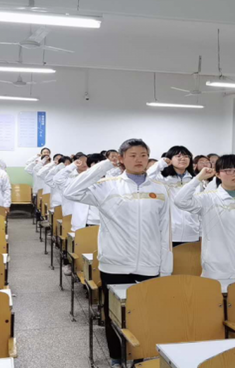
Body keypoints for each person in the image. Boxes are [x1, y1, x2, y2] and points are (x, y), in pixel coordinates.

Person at [64, 138, 171, 367]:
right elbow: (71, 191)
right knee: (114, 314)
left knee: (144, 314)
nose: (139, 159)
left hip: (150, 263)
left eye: (143, 155)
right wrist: (104, 165)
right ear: (121, 159)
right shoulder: (107, 186)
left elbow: (165, 231)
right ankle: (116, 357)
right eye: (132, 155)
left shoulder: (159, 189)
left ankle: (139, 358)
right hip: (115, 263)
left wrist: (165, 267)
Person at [174, 155, 235, 280]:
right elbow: (180, 201)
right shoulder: (208, 198)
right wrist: (198, 178)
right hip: (217, 270)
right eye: (228, 170)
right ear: (218, 174)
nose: (234, 174)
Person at [148, 146, 200, 247]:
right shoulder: (162, 179)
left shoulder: (195, 181)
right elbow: (146, 177)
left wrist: (201, 232)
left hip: (192, 232)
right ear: (170, 159)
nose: (183, 158)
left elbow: (199, 207)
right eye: (178, 156)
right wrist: (161, 163)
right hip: (169, 232)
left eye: (186, 156)